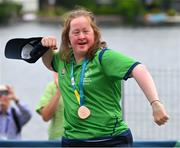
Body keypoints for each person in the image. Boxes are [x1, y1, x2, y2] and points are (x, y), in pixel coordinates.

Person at [40, 8, 169, 147]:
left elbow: (139, 70)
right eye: (76, 32)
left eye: (86, 31)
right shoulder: (64, 59)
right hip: (73, 141)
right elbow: (49, 63)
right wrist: (45, 47)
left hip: (110, 140)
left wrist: (155, 103)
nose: (81, 36)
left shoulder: (103, 57)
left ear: (95, 35)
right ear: (68, 39)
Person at [36, 72, 64, 140]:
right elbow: (45, 117)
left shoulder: (83, 84)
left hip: (80, 138)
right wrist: (59, 90)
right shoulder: (51, 87)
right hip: (57, 139)